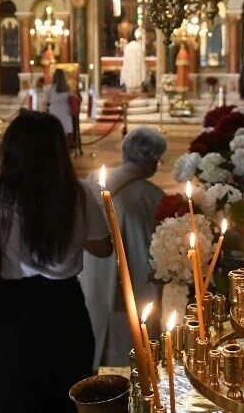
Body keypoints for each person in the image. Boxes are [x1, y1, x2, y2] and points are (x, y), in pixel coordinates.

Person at [0, 111, 113, 412]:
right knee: (64, 394)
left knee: (7, 393)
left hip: (11, 310)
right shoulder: (80, 192)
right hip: (64, 308)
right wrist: (75, 234)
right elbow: (104, 248)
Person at [80, 127, 167, 370]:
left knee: (94, 335)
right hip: (136, 285)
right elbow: (161, 250)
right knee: (134, 347)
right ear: (151, 161)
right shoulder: (154, 196)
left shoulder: (94, 179)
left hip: (91, 275)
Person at [44, 68, 77, 137]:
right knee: (64, 132)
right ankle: (64, 146)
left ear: (54, 76)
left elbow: (46, 101)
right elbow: (75, 98)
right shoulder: (67, 87)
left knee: (55, 132)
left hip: (54, 111)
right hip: (65, 110)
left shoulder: (49, 88)